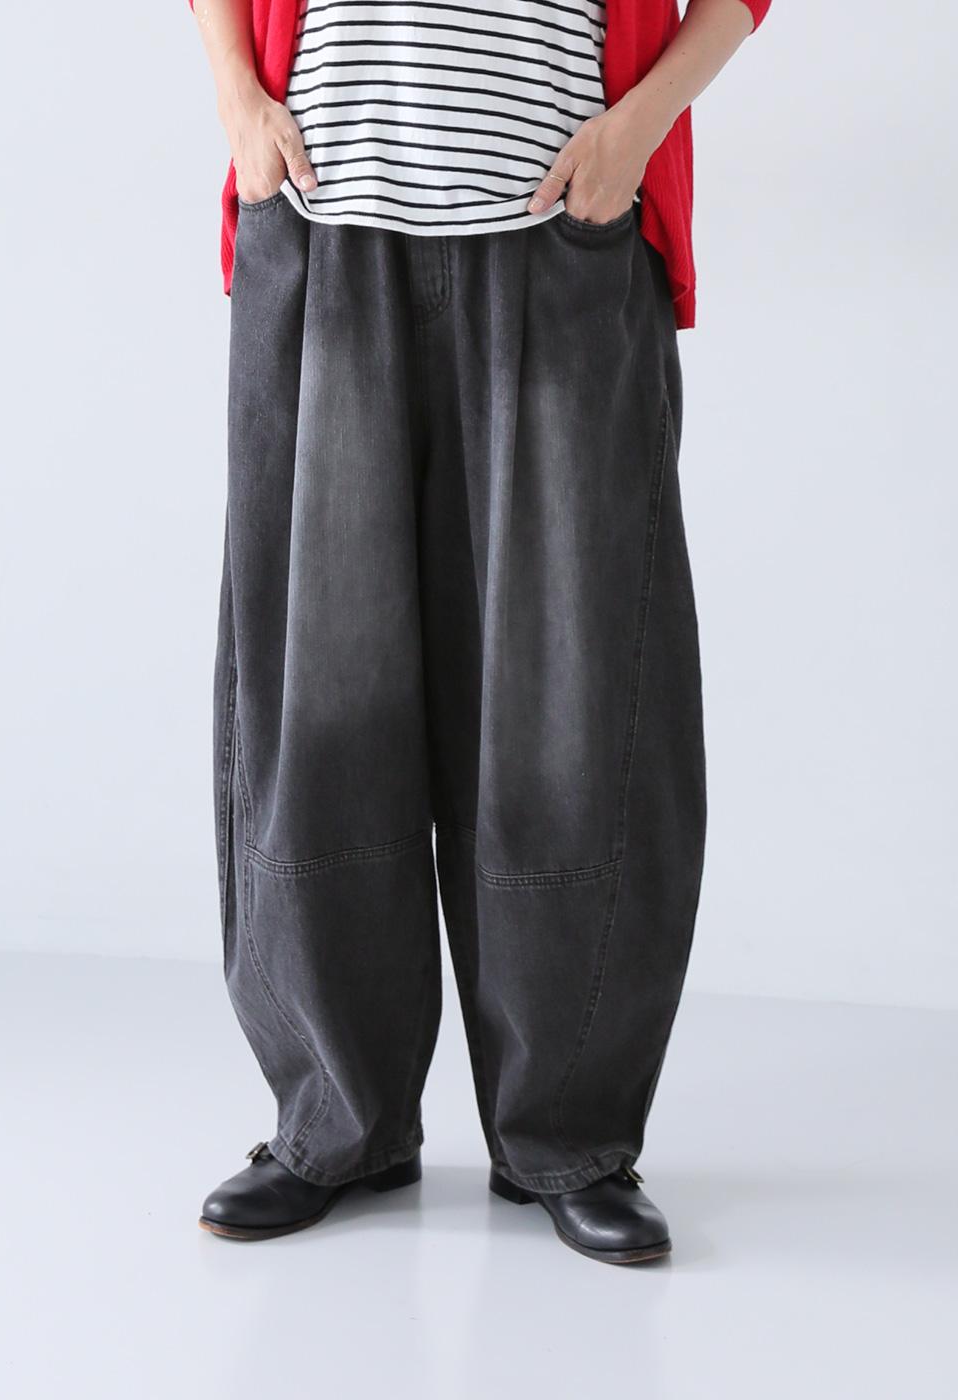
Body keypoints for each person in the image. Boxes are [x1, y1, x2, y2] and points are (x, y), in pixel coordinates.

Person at [189, 0, 770, 1265]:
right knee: (318, 694)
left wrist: (638, 128)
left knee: (575, 699)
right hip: (324, 220)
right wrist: (237, 95)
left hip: (564, 233)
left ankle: (569, 1133)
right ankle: (335, 1119)